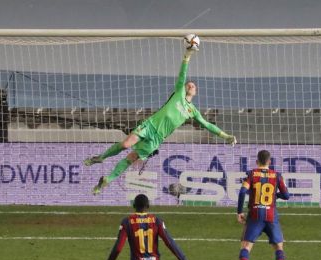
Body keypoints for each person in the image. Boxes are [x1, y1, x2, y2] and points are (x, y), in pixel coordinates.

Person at [84, 39, 237, 195]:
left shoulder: (193, 111)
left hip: (158, 139)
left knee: (130, 158)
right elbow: (182, 75)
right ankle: (101, 157)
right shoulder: (178, 94)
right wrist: (187, 55)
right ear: (184, 88)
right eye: (188, 85)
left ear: (196, 92)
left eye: (193, 86)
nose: (191, 85)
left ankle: (106, 180)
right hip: (149, 126)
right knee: (125, 144)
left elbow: (208, 125)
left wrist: (226, 136)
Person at [228, 150, 291, 260]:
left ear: (257, 161)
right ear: (269, 161)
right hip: (271, 215)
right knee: (279, 246)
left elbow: (242, 192)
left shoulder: (251, 174)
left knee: (246, 246)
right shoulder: (277, 175)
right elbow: (287, 195)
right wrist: (275, 196)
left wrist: (239, 212)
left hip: (255, 214)